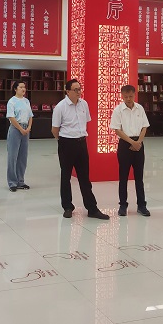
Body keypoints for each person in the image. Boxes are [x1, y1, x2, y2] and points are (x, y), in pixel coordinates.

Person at [51, 79, 109, 220]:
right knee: (66, 177)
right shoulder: (60, 107)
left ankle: (92, 208)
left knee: (84, 177)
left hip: (82, 143)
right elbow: (54, 130)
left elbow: (85, 123)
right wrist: (63, 141)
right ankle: (67, 207)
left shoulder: (84, 104)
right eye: (75, 90)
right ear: (68, 91)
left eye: (80, 89)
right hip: (66, 143)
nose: (79, 92)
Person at [109, 84, 150, 217]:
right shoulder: (118, 110)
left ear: (134, 95)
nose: (128, 99)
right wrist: (132, 142)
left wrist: (138, 142)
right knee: (123, 177)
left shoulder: (140, 108)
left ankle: (142, 205)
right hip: (125, 144)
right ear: (122, 96)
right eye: (126, 96)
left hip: (139, 143)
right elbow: (117, 130)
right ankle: (123, 205)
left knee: (139, 177)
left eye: (130, 96)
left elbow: (144, 127)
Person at [6, 80, 33, 192]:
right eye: (21, 87)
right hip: (15, 129)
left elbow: (30, 115)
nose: (23, 89)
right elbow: (11, 117)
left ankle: (20, 181)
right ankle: (12, 182)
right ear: (15, 89)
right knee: (13, 156)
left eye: (24, 87)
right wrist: (21, 129)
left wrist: (29, 127)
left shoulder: (26, 101)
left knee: (23, 156)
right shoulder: (12, 101)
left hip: (26, 129)